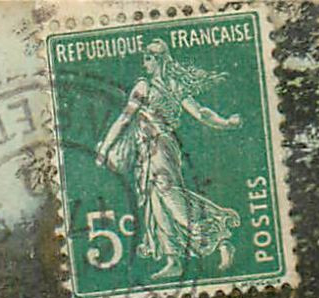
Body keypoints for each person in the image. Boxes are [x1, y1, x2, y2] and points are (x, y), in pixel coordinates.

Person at [94, 39, 242, 280]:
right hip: (150, 151)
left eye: (148, 58)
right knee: (157, 202)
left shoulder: (151, 87)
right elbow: (202, 114)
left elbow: (125, 119)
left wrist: (105, 148)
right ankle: (174, 260)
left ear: (159, 59)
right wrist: (225, 123)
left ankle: (220, 237)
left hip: (160, 148)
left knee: (171, 197)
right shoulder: (165, 86)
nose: (145, 64)